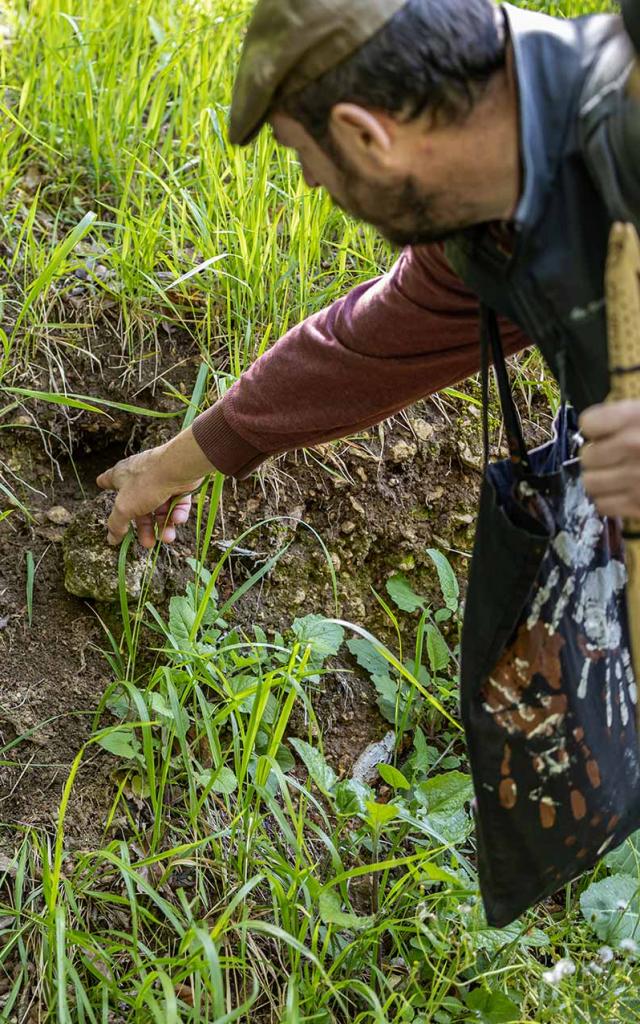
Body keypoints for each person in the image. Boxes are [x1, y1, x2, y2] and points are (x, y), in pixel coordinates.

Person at [97, 0, 640, 549]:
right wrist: (173, 464)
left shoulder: (627, 125)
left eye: (302, 154)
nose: (310, 181)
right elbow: (356, 352)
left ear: (363, 135)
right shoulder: (485, 219)